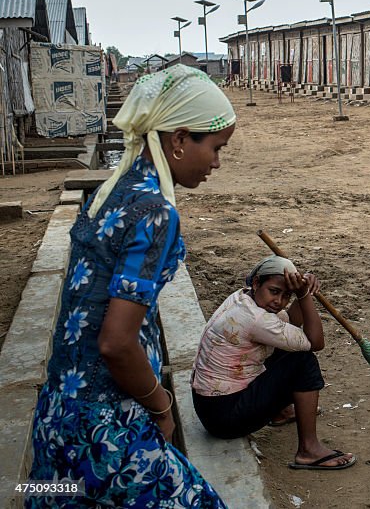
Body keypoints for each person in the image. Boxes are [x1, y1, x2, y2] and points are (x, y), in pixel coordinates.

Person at [29, 65, 234, 507]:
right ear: (179, 140)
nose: (217, 163)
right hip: (105, 426)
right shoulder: (156, 212)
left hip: (56, 414)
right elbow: (117, 343)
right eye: (216, 148)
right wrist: (161, 407)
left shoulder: (115, 190)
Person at [191, 255, 354, 471]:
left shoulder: (241, 298)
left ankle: (282, 411)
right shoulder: (256, 319)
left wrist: (301, 293)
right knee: (303, 361)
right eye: (274, 291)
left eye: (286, 295)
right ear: (257, 282)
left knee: (284, 349)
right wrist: (304, 296)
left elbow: (291, 323)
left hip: (209, 406)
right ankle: (308, 450)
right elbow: (316, 342)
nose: (278, 301)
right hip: (224, 417)